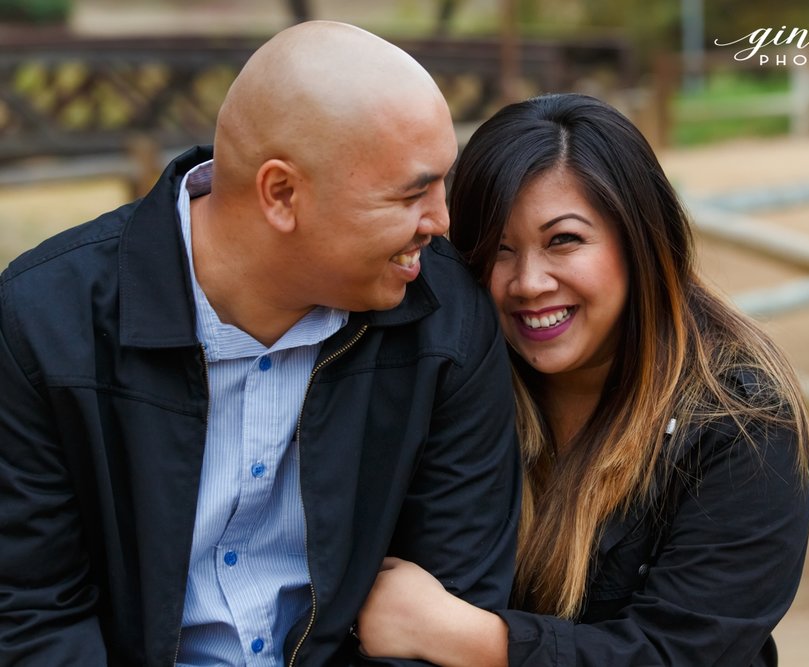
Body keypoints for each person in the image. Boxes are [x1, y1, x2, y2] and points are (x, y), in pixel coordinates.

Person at [0, 21, 520, 666]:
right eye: (412, 194)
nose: (441, 223)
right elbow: (30, 616)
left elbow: (452, 596)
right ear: (281, 193)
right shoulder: (43, 323)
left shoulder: (447, 320)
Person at [356, 93, 809, 666]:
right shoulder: (451, 386)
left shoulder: (741, 422)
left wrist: (461, 636)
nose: (528, 282)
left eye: (563, 241)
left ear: (640, 239)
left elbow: (681, 652)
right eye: (498, 250)